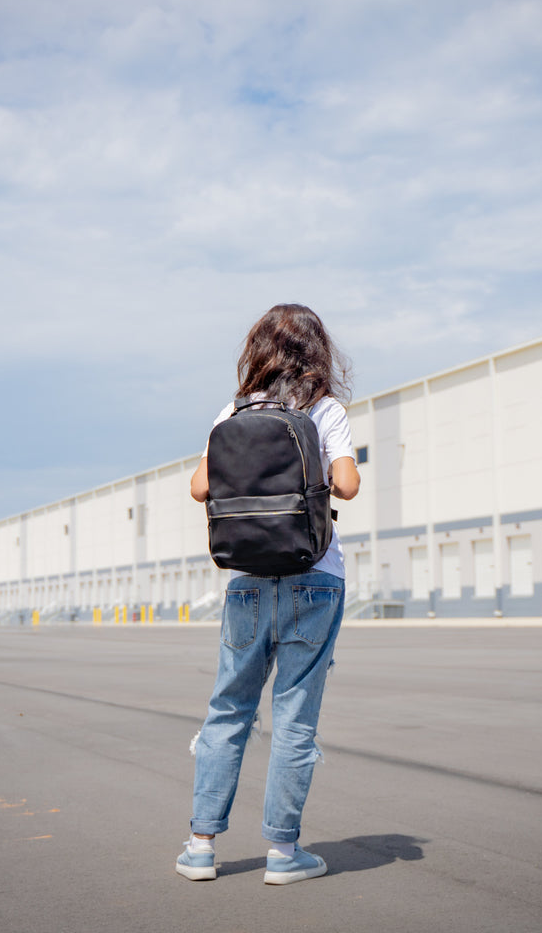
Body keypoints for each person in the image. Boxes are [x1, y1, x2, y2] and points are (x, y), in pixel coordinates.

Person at [175, 304, 360, 886]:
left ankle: (200, 846)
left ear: (257, 349)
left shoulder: (232, 411)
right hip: (315, 575)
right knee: (294, 717)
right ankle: (283, 852)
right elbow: (349, 485)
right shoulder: (324, 409)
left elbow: (199, 485)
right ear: (318, 352)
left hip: (247, 580)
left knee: (229, 708)